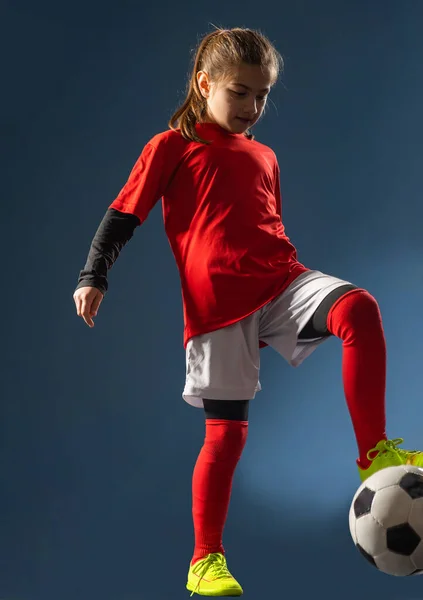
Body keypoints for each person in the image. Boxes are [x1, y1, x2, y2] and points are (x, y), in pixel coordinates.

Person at [73, 27, 423, 597]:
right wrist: (94, 275)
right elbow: (122, 215)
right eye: (240, 92)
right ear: (204, 82)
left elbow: (264, 222)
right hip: (217, 308)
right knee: (227, 435)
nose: (252, 107)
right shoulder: (171, 148)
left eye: (262, 95)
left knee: (358, 308)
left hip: (281, 280)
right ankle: (204, 561)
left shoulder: (265, 154)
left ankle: (372, 452)